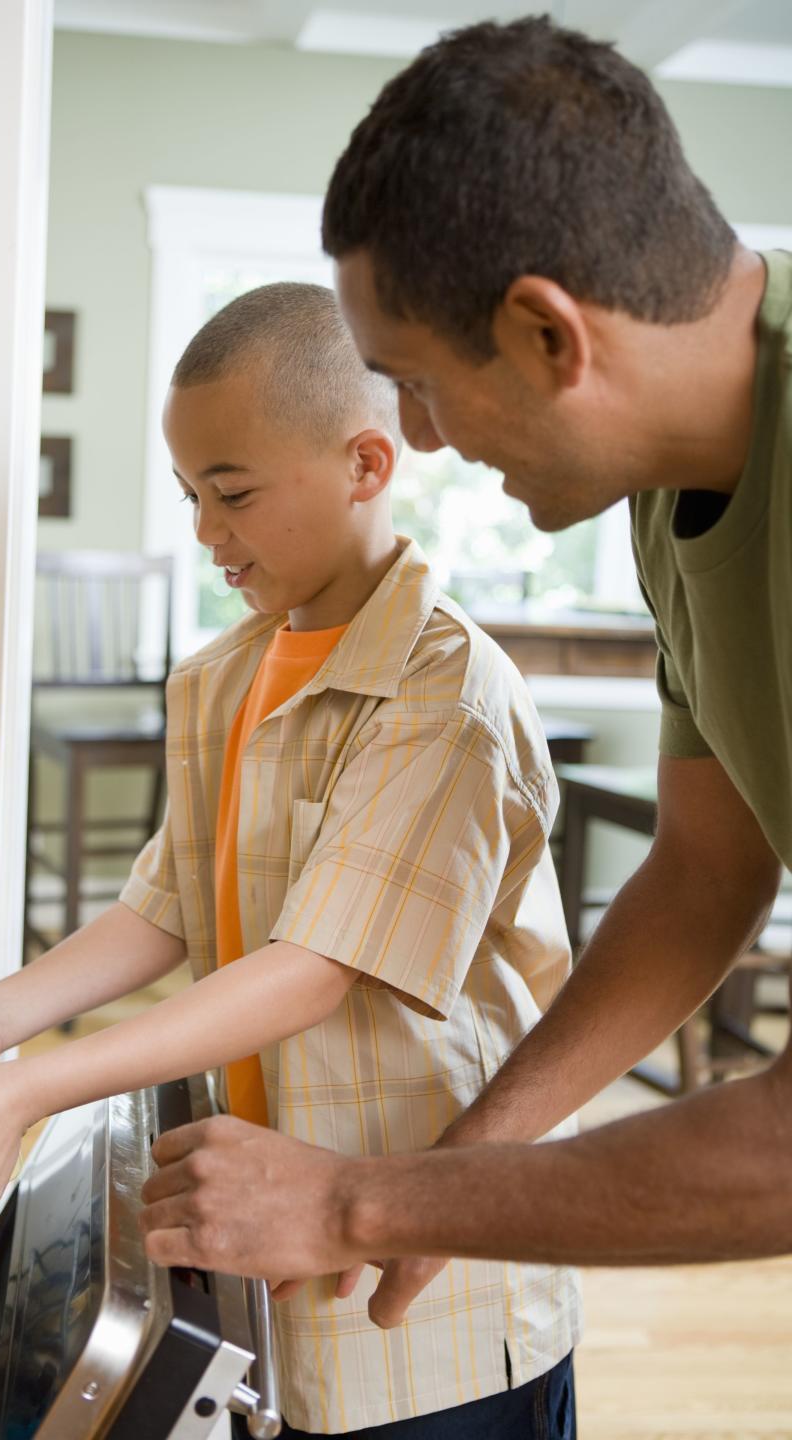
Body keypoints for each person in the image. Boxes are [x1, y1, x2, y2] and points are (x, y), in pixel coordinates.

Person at [136, 15, 792, 1319]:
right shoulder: (682, 482)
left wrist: (358, 1199)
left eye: (417, 387)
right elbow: (712, 864)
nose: (417, 442)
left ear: (548, 333)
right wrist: (471, 1153)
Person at [0, 282, 582, 1436]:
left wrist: (26, 1087)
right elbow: (162, 913)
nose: (205, 531)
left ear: (365, 464)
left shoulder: (445, 694)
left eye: (232, 494)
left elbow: (311, 969)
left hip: (429, 1286)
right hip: (280, 1235)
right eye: (192, 495)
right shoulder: (225, 677)